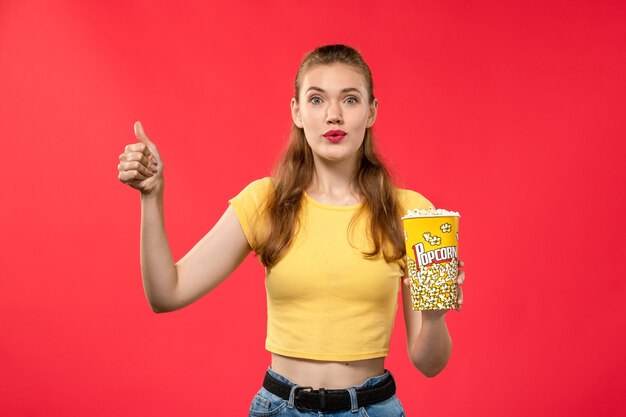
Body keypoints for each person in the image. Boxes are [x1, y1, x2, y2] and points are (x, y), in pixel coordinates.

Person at [118, 44, 465, 416]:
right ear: (297, 111)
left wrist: (433, 316)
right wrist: (151, 197)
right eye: (317, 100)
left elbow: (430, 364)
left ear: (371, 111)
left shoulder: (410, 213)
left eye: (350, 100)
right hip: (281, 408)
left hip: (373, 408)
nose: (333, 115)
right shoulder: (265, 201)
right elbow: (166, 294)